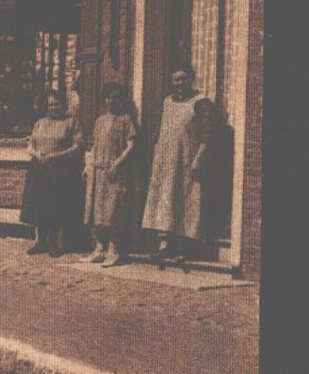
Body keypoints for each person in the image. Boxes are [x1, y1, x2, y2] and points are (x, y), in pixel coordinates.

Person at [141, 63, 214, 260]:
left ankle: (184, 249)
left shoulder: (201, 102)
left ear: (191, 79)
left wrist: (198, 159)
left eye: (183, 79)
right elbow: (160, 131)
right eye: (176, 79)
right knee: (164, 199)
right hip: (165, 160)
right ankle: (164, 245)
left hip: (187, 160)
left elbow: (207, 136)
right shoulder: (167, 102)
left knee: (185, 199)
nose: (180, 83)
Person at [21, 91, 84, 257]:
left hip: (60, 169)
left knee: (55, 205)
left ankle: (53, 243)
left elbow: (78, 146)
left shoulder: (71, 122)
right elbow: (29, 146)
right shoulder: (40, 123)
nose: (53, 107)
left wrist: (56, 156)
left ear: (62, 105)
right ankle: (40, 242)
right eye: (50, 104)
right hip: (39, 168)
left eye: (56, 104)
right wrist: (37, 154)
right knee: (39, 205)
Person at [83, 81, 138, 265]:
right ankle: (99, 248)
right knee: (97, 211)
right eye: (109, 98)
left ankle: (114, 251)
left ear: (121, 100)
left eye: (116, 98)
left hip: (115, 173)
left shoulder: (126, 119)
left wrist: (116, 164)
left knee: (114, 211)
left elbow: (131, 146)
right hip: (98, 171)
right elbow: (95, 145)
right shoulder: (100, 120)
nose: (112, 101)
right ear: (104, 100)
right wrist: (88, 165)